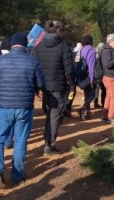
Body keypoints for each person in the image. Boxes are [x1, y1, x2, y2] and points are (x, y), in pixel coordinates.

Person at [0, 32, 45, 189]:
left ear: (12, 44)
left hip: (4, 106)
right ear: (25, 44)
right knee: (20, 140)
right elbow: (40, 83)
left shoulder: (0, 61)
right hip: (24, 107)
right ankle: (17, 175)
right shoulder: (32, 61)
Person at [34, 20, 74, 156]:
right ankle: (49, 145)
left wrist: (36, 86)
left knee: (51, 114)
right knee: (55, 115)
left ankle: (48, 140)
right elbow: (69, 69)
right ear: (59, 31)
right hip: (58, 85)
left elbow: (35, 66)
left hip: (44, 85)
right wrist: (72, 86)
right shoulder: (63, 45)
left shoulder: (38, 46)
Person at [100, 34, 114, 124]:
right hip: (109, 77)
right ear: (111, 41)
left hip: (109, 77)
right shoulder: (107, 52)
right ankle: (112, 117)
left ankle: (105, 116)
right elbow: (107, 64)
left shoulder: (109, 51)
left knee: (109, 97)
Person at [76, 35, 97, 121]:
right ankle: (83, 108)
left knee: (86, 93)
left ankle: (88, 111)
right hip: (88, 75)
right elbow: (91, 66)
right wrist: (92, 80)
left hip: (82, 75)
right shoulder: (91, 51)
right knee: (92, 94)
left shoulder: (81, 50)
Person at [92, 42, 107, 109]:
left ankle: (95, 103)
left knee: (96, 90)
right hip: (102, 74)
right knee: (104, 89)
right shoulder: (103, 55)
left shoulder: (94, 54)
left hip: (95, 74)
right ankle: (103, 102)